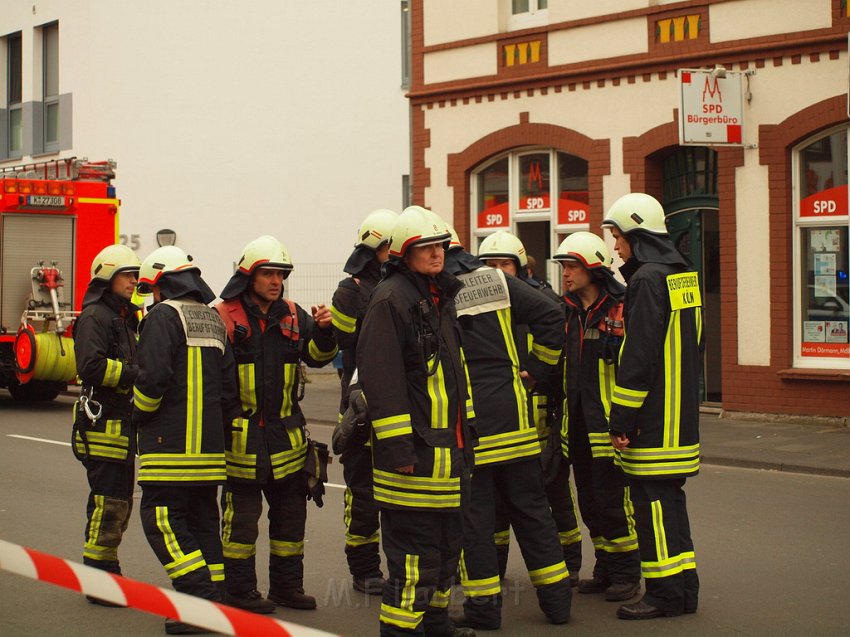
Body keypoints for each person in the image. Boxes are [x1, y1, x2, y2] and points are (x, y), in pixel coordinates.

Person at [444, 229, 572, 630]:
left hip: (471, 423)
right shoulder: (495, 280)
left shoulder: (431, 290)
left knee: (476, 519)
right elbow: (553, 315)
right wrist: (535, 369)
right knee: (534, 512)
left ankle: (484, 610)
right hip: (514, 418)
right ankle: (558, 603)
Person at [356, 206, 475, 637]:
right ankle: (401, 631)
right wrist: (399, 449)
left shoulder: (437, 297)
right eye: (426, 247)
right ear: (405, 252)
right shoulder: (392, 299)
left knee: (446, 553)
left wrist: (467, 444)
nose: (436, 253)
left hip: (446, 456)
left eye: (440, 245)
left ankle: (436, 625)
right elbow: (382, 379)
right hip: (413, 460)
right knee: (413, 561)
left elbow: (453, 380)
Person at [216, 235, 337, 613]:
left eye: (280, 274)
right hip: (242, 439)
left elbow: (317, 358)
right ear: (247, 275)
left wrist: (325, 330)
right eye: (268, 273)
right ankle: (239, 592)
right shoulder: (223, 316)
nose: (275, 280)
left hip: (286, 439)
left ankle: (287, 587)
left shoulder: (293, 313)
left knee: (290, 520)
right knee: (241, 525)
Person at [601, 193, 702, 620]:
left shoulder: (645, 281)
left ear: (636, 236)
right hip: (681, 416)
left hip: (653, 420)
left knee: (652, 505)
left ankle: (662, 595)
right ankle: (684, 591)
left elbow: (638, 357)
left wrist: (621, 419)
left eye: (618, 237)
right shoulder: (684, 275)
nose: (616, 248)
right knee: (671, 500)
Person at [132, 246, 238, 635]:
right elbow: (229, 392)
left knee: (161, 520)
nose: (151, 297)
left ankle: (198, 599)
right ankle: (217, 601)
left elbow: (151, 379)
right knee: (202, 523)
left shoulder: (163, 316)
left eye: (151, 290)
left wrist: (137, 414)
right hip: (210, 452)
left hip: (170, 447)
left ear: (161, 284)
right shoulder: (212, 319)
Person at [475, 230, 582, 584]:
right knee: (498, 505)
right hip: (505, 418)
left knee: (553, 496)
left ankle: (570, 566)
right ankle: (495, 569)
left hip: (540, 413)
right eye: (489, 265)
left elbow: (558, 355)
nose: (497, 272)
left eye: (504, 264)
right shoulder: (477, 306)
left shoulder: (541, 301)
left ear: (520, 268)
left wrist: (536, 373)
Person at [551, 232, 641, 603]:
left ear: (593, 268)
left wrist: (625, 419)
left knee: (613, 501)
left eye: (572, 267)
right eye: (563, 267)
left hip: (608, 424)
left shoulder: (622, 306)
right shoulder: (567, 310)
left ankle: (626, 571)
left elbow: (635, 367)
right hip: (579, 425)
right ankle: (605, 566)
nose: (566, 274)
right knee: (589, 500)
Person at [330, 209, 398, 596]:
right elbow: (347, 345)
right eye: (390, 246)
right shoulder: (349, 290)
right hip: (359, 407)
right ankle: (365, 570)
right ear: (375, 249)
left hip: (398, 403)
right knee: (362, 496)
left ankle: (405, 568)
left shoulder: (405, 285)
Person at [72, 244, 141, 605]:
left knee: (119, 502)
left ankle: (107, 568)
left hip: (121, 426)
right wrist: (136, 374)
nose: (133, 281)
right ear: (107, 277)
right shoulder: (95, 316)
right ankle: (98, 578)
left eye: (134, 275)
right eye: (126, 275)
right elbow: (91, 367)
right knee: (107, 503)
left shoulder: (124, 317)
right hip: (102, 427)